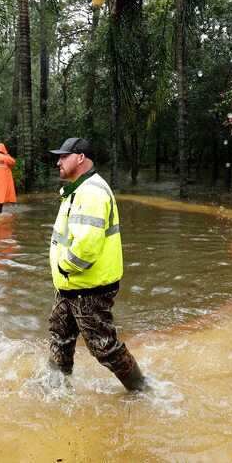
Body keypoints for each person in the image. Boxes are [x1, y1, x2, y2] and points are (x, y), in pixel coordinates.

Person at [47, 136, 146, 391]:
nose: (58, 161)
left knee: (104, 346)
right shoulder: (78, 189)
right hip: (71, 285)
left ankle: (141, 389)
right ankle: (56, 385)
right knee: (60, 334)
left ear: (80, 158)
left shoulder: (91, 192)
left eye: (63, 156)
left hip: (86, 287)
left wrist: (63, 267)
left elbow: (86, 249)